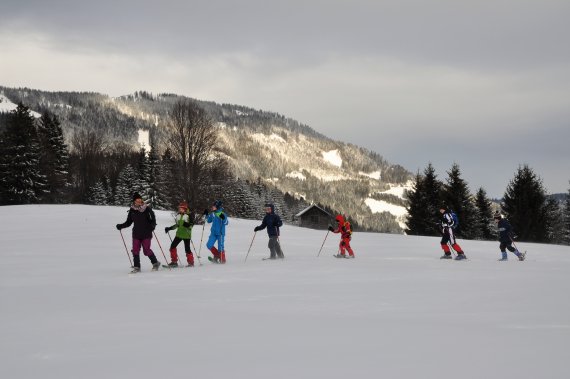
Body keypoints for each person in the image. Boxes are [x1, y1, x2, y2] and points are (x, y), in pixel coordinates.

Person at [116, 193, 160, 273]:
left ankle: (155, 263)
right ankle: (137, 267)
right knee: (135, 250)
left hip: (146, 233)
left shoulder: (147, 209)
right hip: (136, 233)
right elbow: (129, 222)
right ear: (134, 201)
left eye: (140, 199)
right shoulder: (132, 210)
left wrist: (152, 226)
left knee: (146, 250)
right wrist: (121, 226)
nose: (139, 201)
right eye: (137, 200)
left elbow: (153, 219)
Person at [164, 201, 195, 267]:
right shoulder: (178, 216)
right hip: (179, 234)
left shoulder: (189, 216)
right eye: (179, 208)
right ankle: (174, 262)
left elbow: (191, 226)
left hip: (186, 235)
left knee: (187, 249)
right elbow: (177, 225)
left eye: (181, 208)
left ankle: (191, 262)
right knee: (172, 247)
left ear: (185, 209)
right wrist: (169, 228)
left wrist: (187, 225)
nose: (179, 209)